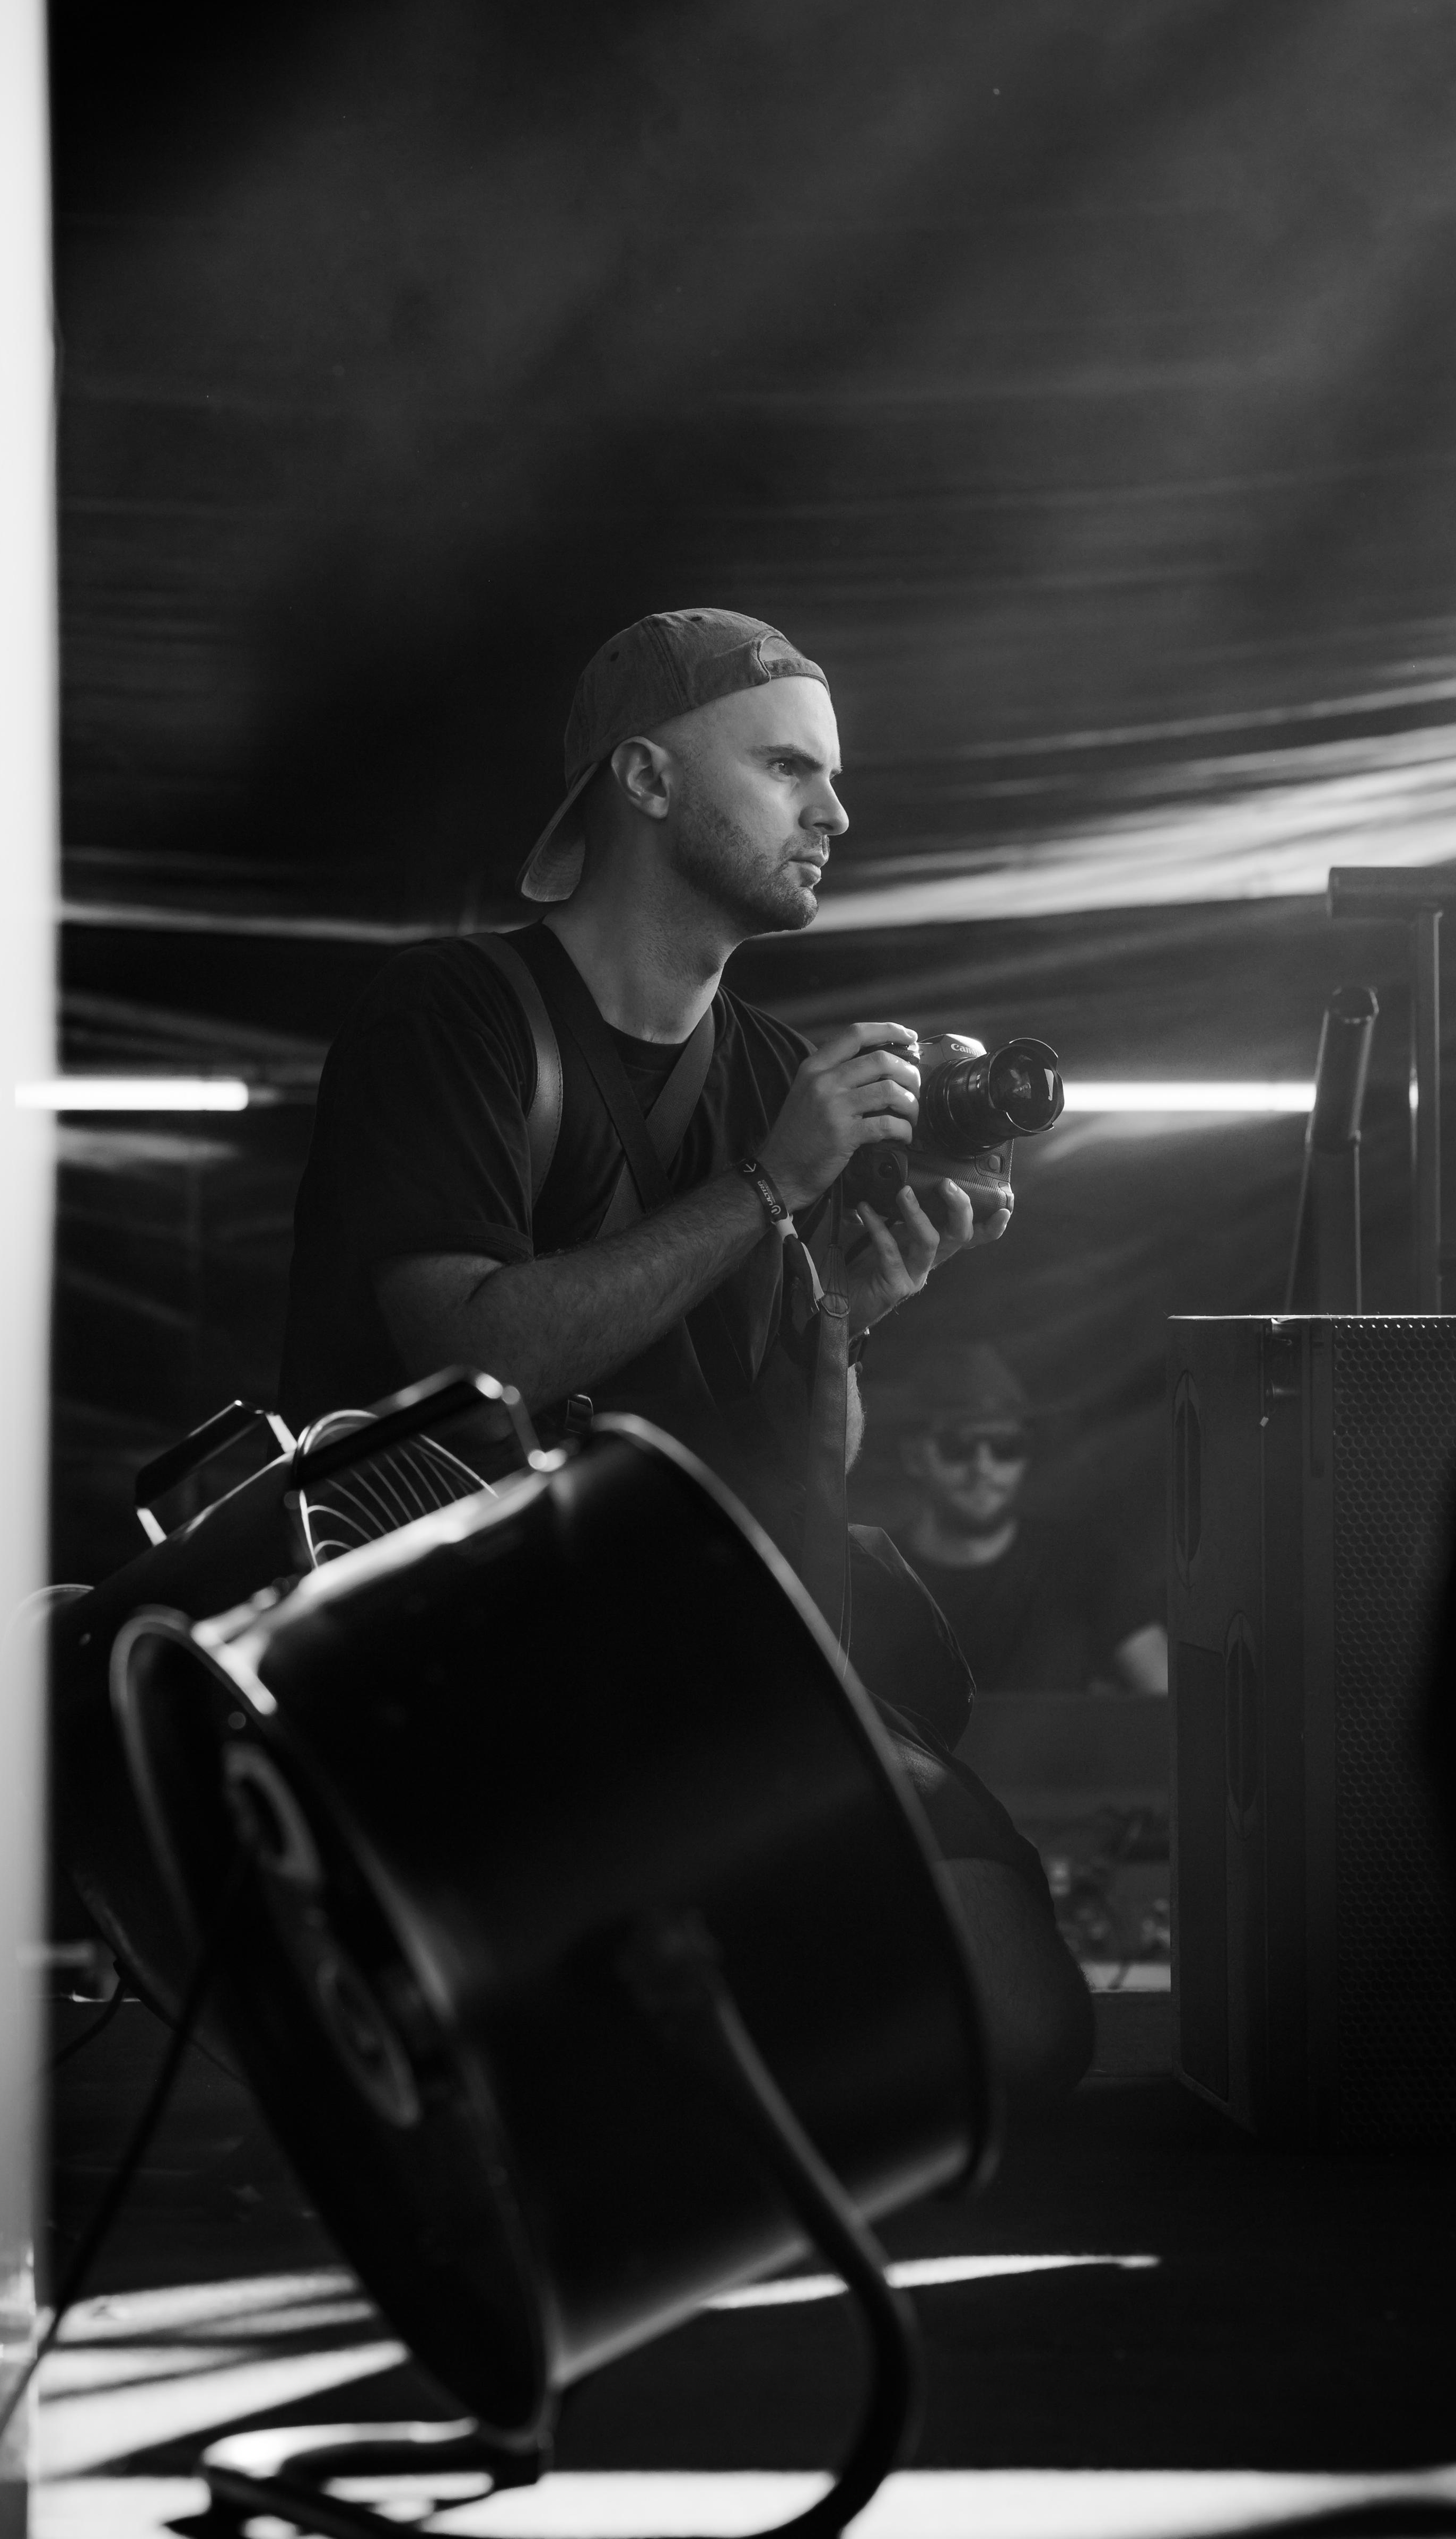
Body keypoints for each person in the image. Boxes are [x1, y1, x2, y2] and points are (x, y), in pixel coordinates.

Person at [280, 606, 1091, 2096]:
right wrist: (770, 1190)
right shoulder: (455, 1020)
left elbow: (786, 1467)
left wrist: (849, 1311)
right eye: (789, 770)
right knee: (718, 2043)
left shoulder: (776, 1075)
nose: (835, 813)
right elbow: (468, 1357)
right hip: (469, 1659)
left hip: (708, 1656)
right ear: (644, 782)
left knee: (1018, 2027)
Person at [886, 1343, 1168, 1695]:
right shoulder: (871, 1576)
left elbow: (1165, 1700)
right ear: (914, 1456)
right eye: (957, 1446)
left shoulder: (1083, 1565)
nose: (983, 1469)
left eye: (1005, 1446)